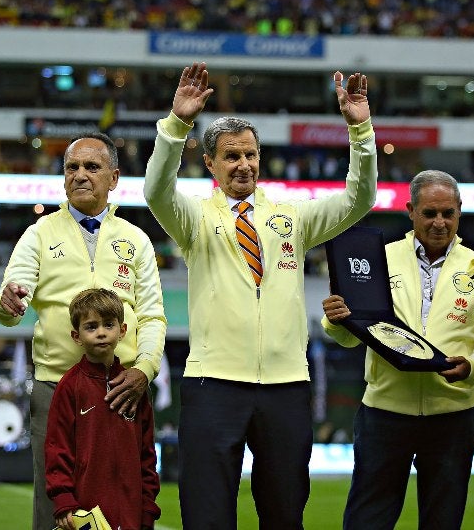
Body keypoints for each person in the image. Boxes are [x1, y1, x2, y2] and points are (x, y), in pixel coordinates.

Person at [143, 61, 378, 529]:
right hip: (213, 384)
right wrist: (176, 125)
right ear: (210, 164)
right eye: (231, 156)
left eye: (250, 154)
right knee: (207, 516)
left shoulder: (293, 216)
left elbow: (360, 198)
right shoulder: (193, 219)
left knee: (285, 516)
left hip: (286, 387)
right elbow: (155, 190)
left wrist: (361, 131)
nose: (244, 165)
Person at [0, 132, 166, 530]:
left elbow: (154, 316)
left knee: (124, 490)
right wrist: (7, 304)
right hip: (55, 388)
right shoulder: (38, 233)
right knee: (53, 502)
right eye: (72, 167)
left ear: (114, 177)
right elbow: (10, 300)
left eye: (92, 166)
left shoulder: (135, 239)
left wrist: (145, 369)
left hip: (123, 387)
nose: (80, 175)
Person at [322, 169, 474, 530]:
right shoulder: (379, 258)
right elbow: (349, 336)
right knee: (367, 519)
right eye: (429, 213)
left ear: (459, 212)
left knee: (443, 520)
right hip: (384, 413)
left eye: (447, 213)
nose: (439, 222)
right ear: (411, 211)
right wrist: (336, 320)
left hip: (453, 415)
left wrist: (473, 365)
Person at [45, 288, 160, 530]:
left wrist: (148, 507)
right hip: (85, 511)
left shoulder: (135, 387)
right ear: (77, 336)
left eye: (109, 325)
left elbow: (147, 454)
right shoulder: (70, 385)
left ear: (123, 330)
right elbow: (58, 447)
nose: (101, 333)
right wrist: (64, 499)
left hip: (132, 512)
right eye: (91, 326)